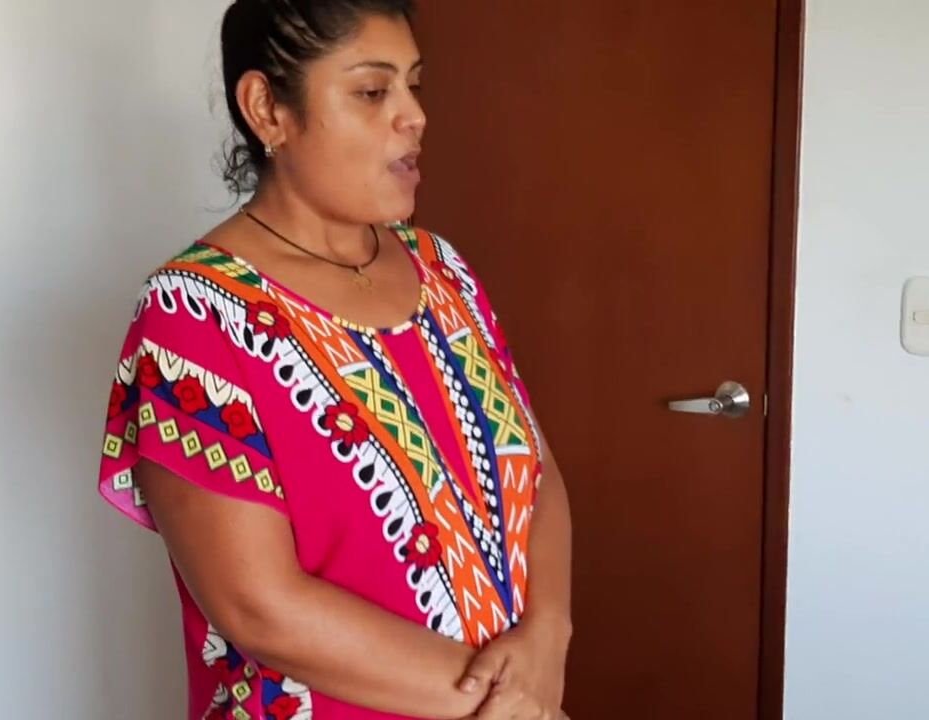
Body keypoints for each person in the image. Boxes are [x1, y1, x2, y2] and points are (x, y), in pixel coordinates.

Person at [95, 2, 573, 718]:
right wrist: (511, 703)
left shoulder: (442, 270)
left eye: (415, 85)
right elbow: (261, 607)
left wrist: (549, 635)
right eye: (373, 91)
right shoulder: (194, 315)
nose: (415, 116)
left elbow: (536, 473)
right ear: (267, 109)